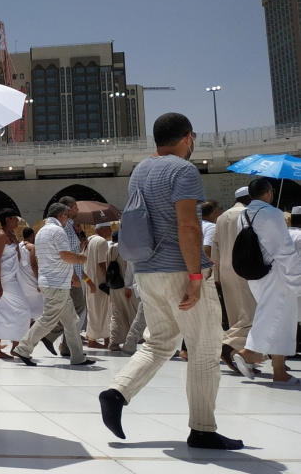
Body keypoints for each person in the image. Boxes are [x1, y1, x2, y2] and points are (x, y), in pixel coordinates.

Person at [99, 112, 242, 450]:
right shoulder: (183, 170)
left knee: (160, 342)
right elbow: (189, 226)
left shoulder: (140, 171)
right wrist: (195, 277)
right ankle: (203, 429)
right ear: (187, 138)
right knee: (205, 349)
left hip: (148, 271)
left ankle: (117, 392)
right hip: (180, 270)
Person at [231, 179, 301, 386]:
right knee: (274, 316)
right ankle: (248, 353)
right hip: (275, 273)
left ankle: (279, 370)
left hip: (256, 273)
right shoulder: (273, 213)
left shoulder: (243, 215)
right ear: (269, 193)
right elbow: (284, 250)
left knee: (279, 318)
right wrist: (296, 279)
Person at [11, 203, 94, 367]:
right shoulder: (57, 231)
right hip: (57, 285)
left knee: (72, 321)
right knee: (48, 320)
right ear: (62, 215)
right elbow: (65, 256)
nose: (68, 220)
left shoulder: (42, 231)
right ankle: (23, 349)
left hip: (53, 283)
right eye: (68, 216)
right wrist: (80, 258)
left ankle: (77, 357)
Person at [211, 187, 255, 373]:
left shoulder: (222, 217)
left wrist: (217, 275)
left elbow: (216, 246)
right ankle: (226, 345)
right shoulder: (248, 214)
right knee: (252, 314)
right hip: (245, 268)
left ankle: (244, 358)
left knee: (236, 314)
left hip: (225, 269)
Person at [42, 196, 88, 356]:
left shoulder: (68, 226)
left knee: (71, 311)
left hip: (69, 275)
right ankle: (50, 335)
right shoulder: (65, 227)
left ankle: (68, 347)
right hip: (68, 277)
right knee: (77, 307)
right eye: (75, 207)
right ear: (67, 209)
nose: (77, 210)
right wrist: (74, 276)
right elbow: (65, 255)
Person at [0, 208, 30, 359]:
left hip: (10, 278)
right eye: (14, 218)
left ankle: (10, 347)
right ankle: (7, 348)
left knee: (2, 311)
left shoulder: (11, 235)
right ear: (7, 219)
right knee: (24, 310)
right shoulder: (0, 236)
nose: (17, 221)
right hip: (3, 279)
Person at [108, 230, 139, 352]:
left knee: (117, 314)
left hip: (114, 285)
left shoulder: (111, 248)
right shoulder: (129, 249)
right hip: (128, 287)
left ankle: (114, 341)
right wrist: (128, 286)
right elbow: (129, 270)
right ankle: (132, 340)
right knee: (135, 313)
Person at [83, 222, 113, 348]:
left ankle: (107, 339)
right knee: (103, 311)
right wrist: (108, 279)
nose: (111, 232)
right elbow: (102, 264)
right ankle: (92, 340)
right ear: (101, 229)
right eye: (109, 229)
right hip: (100, 283)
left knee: (95, 310)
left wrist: (88, 281)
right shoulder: (101, 242)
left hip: (90, 282)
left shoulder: (88, 240)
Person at [17, 226, 43, 323]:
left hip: (22, 282)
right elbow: (34, 265)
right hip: (32, 282)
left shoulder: (18, 246)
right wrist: (39, 281)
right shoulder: (32, 247)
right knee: (40, 309)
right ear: (32, 235)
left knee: (27, 307)